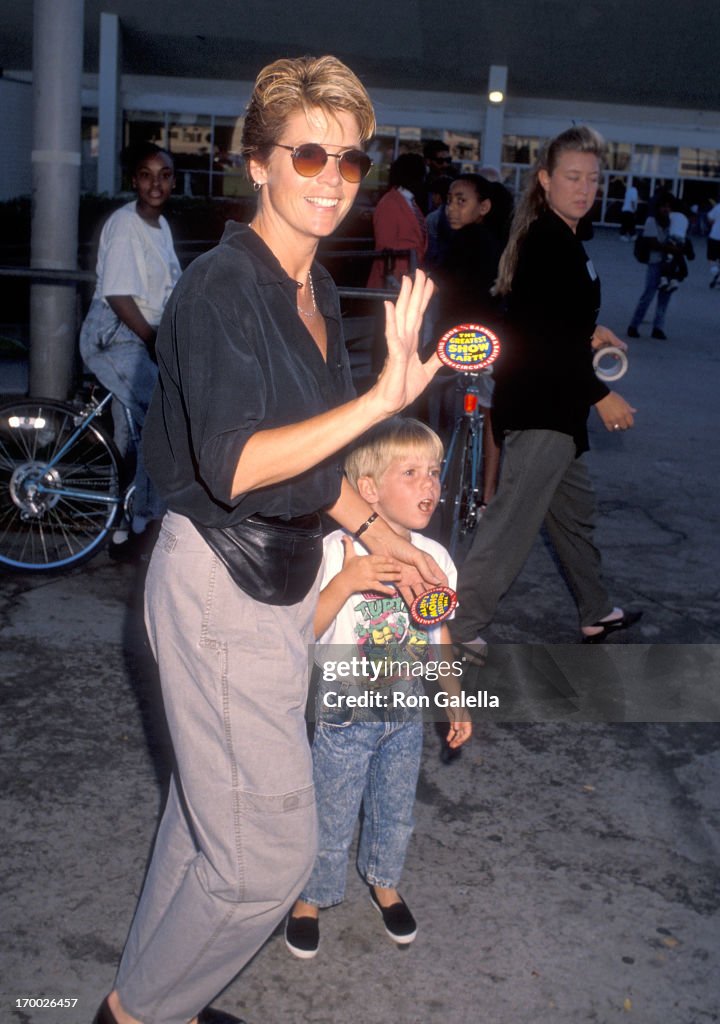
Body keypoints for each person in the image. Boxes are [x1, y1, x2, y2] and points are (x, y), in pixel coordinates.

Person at [91, 55, 446, 1024]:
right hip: (219, 582)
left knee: (207, 826)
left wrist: (384, 533)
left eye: (350, 160)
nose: (334, 179)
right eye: (310, 155)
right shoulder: (219, 289)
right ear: (260, 163)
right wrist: (382, 397)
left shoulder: (316, 294)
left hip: (284, 583)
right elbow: (240, 464)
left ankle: (148, 995)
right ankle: (138, 1014)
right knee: (264, 861)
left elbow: (317, 467)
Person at [448, 126, 642, 657]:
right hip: (543, 406)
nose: (584, 188)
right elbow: (543, 340)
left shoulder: (566, 239)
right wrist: (601, 394)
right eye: (572, 177)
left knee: (575, 518)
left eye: (593, 179)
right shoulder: (547, 242)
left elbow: (551, 321)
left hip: (557, 408)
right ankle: (457, 628)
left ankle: (596, 611)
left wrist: (590, 332)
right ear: (545, 179)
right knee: (510, 524)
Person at [284, 418, 471, 959]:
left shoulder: (436, 560)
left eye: (434, 472)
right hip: (345, 709)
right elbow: (303, 633)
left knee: (395, 807)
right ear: (367, 490)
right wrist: (346, 584)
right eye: (410, 472)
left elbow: (438, 632)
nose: (431, 485)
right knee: (332, 808)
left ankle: (384, 881)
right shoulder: (335, 553)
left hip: (406, 709)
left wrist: (454, 696)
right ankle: (311, 897)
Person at [79, 142, 181, 559]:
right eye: (146, 174)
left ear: (173, 181)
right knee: (158, 422)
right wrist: (155, 341)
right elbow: (120, 295)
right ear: (133, 180)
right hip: (117, 333)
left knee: (130, 436)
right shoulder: (125, 225)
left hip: (140, 333)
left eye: (164, 175)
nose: (155, 184)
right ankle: (144, 522)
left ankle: (119, 530)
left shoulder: (161, 226)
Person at [430, 173, 505, 502]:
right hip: (488, 342)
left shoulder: (462, 244)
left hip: (459, 343)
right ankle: (488, 494)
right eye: (449, 201)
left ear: (484, 207)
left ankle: (436, 478)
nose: (452, 209)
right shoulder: (495, 243)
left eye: (462, 201)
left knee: (446, 410)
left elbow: (447, 294)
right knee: (489, 415)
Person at [367, 152, 428, 289]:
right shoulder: (389, 203)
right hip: (392, 284)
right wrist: (397, 283)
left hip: (410, 280)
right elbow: (385, 248)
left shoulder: (410, 202)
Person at [627, 192, 681, 339]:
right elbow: (652, 242)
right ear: (658, 207)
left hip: (668, 264)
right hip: (655, 262)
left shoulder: (671, 221)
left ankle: (658, 328)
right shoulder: (651, 221)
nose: (666, 209)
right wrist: (671, 248)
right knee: (648, 295)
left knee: (665, 297)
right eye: (663, 206)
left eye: (668, 207)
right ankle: (633, 325)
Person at [657, 200, 693, 293]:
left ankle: (663, 279)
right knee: (675, 260)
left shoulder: (671, 215)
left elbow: (665, 226)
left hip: (671, 240)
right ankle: (674, 280)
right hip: (681, 242)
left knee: (665, 259)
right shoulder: (685, 218)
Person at [706, 199, 720, 288]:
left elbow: (710, 219)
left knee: (711, 258)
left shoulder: (718, 207)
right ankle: (719, 278)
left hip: (714, 236)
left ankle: (716, 274)